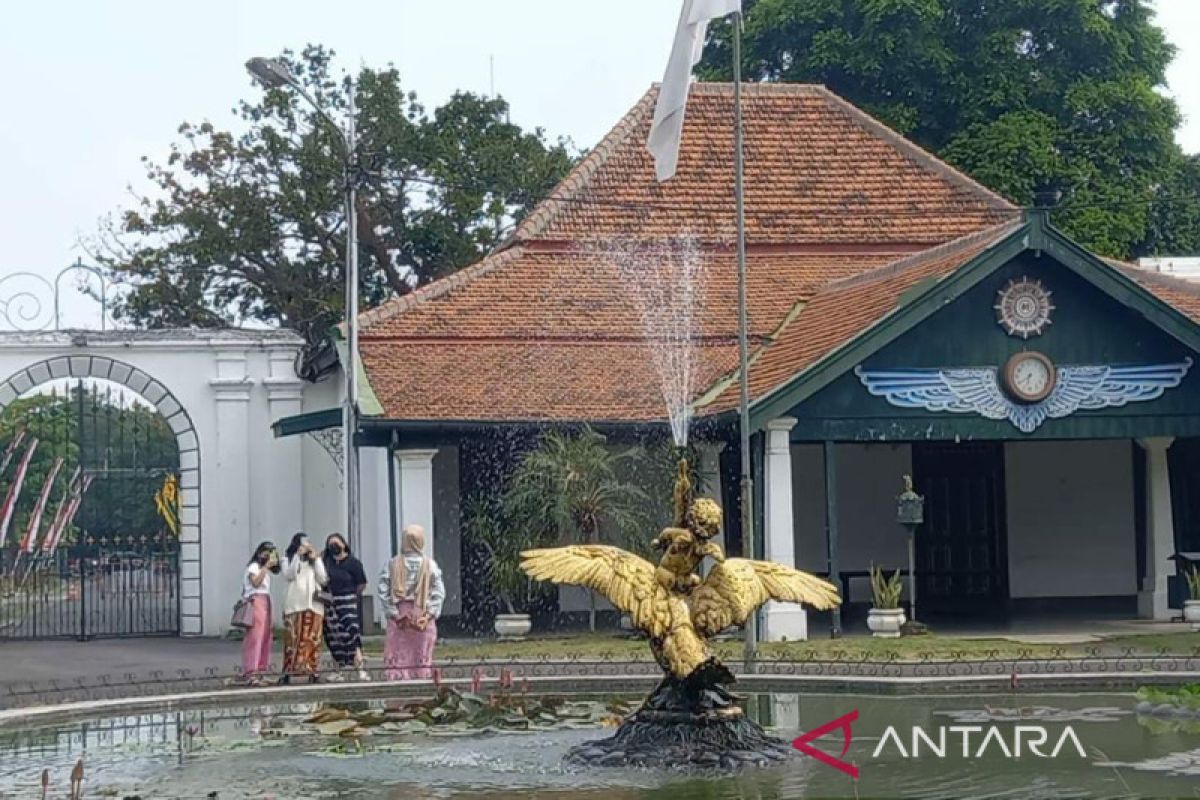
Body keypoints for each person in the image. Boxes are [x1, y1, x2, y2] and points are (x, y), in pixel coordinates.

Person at [379, 524, 445, 680]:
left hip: (400, 614)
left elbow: (383, 590)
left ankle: (397, 694)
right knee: (420, 656)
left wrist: (395, 615)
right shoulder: (430, 565)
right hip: (422, 613)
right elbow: (438, 593)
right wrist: (428, 616)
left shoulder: (392, 564)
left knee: (398, 656)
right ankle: (419, 691)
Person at [321, 533, 370, 681]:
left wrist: (352, 595)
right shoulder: (326, 562)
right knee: (334, 636)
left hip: (348, 601)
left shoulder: (353, 563)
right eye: (331, 544)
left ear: (343, 544)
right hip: (330, 602)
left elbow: (361, 583)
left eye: (336, 543)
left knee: (352, 634)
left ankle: (360, 669)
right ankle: (338, 670)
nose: (334, 547)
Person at [281, 532, 328, 684]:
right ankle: (288, 671)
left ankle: (312, 670)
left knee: (313, 638)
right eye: (302, 544)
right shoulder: (287, 557)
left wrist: (316, 560)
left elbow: (323, 578)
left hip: (313, 604)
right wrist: (297, 556)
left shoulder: (314, 560)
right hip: (295, 604)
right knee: (293, 639)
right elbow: (289, 575)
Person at [241, 541, 280, 685]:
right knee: (255, 636)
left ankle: (261, 670)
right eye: (266, 552)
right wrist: (265, 567)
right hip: (256, 599)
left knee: (266, 636)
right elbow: (255, 583)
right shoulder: (254, 567)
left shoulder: (265, 569)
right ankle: (252, 672)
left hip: (265, 599)